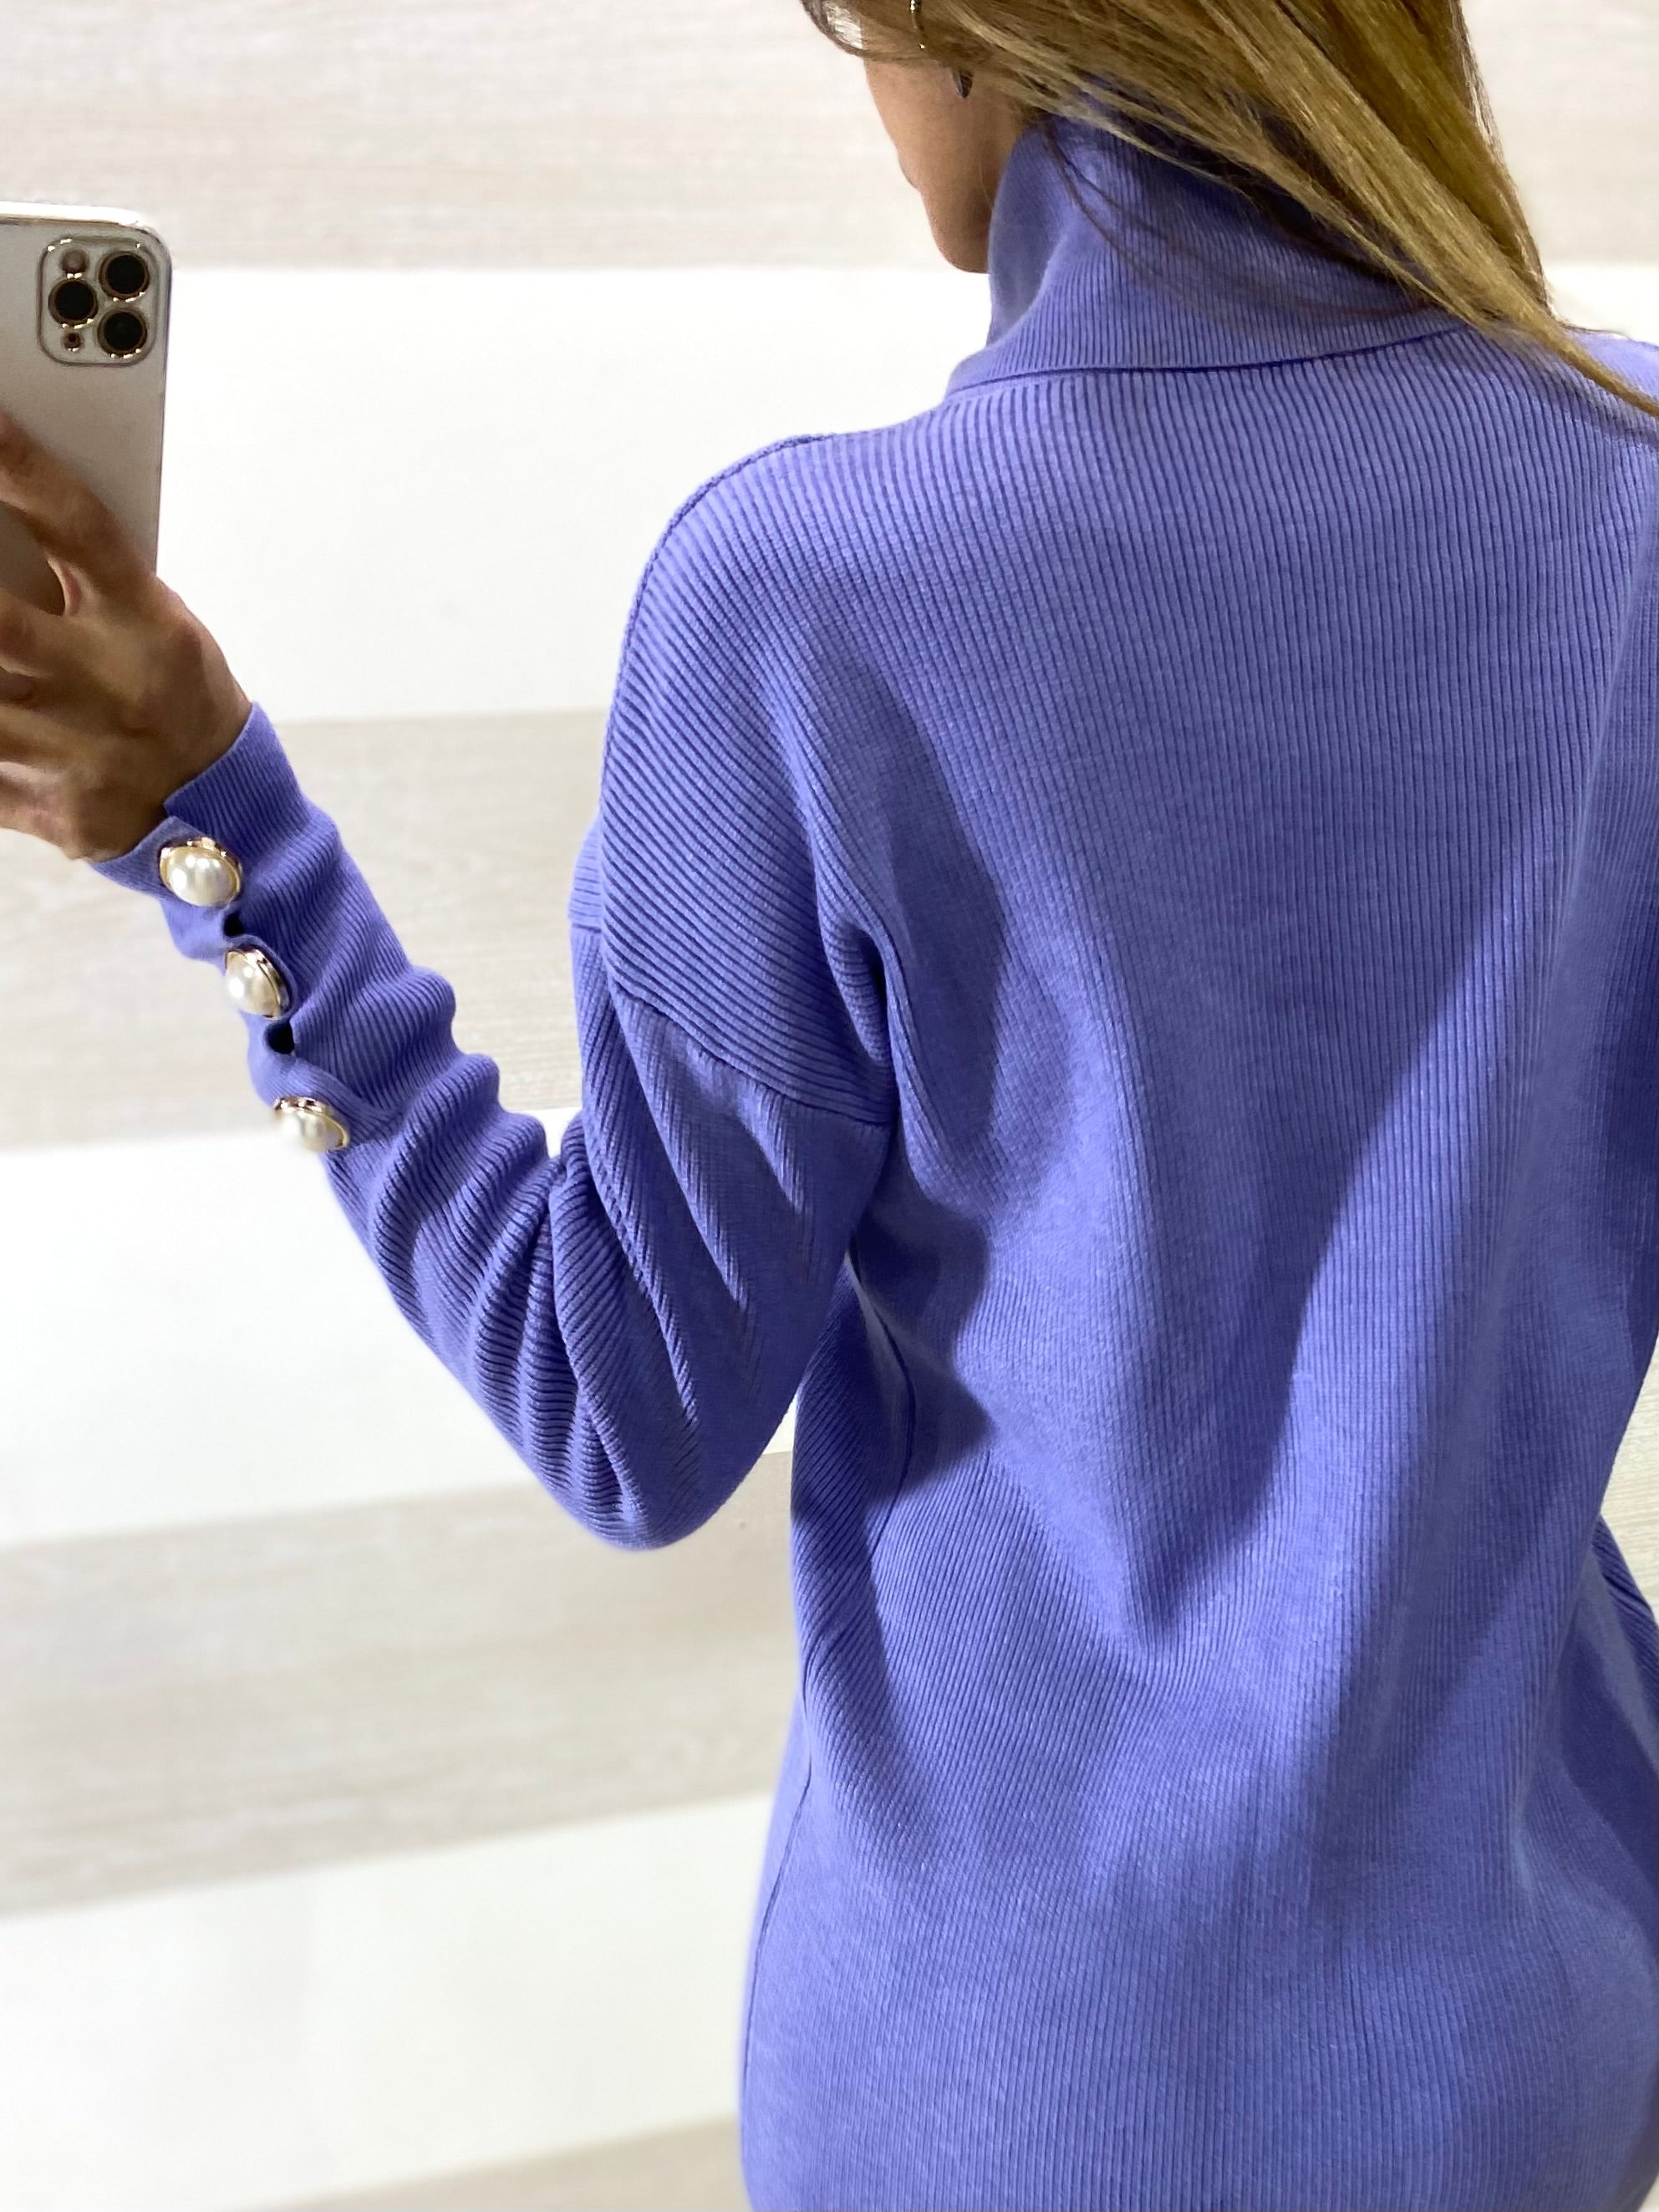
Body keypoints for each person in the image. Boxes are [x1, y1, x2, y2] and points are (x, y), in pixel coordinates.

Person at [0, 1, 1654, 2204]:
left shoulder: (810, 602)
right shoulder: (1636, 511)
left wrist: (226, 839)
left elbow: (621, 1411)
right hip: (1522, 2043)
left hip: (995, 2088)